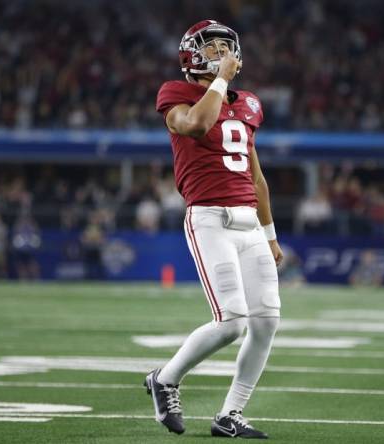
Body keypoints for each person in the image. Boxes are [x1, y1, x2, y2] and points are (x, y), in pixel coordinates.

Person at [144, 20, 283, 439]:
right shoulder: (175, 93)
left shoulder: (250, 104)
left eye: (227, 46)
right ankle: (164, 379)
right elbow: (196, 126)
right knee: (232, 321)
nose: (223, 53)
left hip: (248, 223)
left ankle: (230, 415)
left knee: (266, 322)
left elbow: (257, 178)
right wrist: (220, 81)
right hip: (208, 217)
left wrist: (271, 234)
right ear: (192, 54)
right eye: (213, 46)